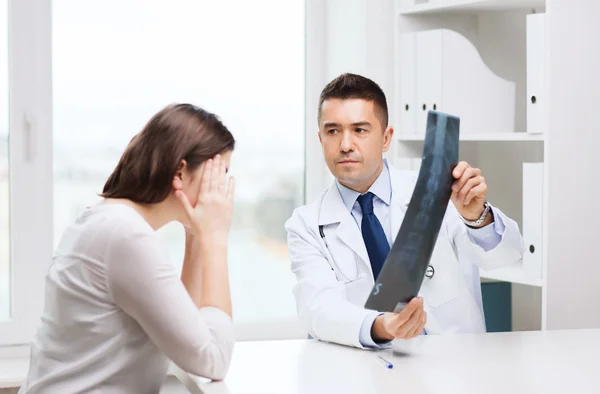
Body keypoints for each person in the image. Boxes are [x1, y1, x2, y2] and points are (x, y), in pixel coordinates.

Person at [285, 73, 525, 349]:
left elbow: (507, 256)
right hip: (366, 370)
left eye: (360, 130)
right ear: (320, 140)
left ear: (386, 139)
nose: (345, 144)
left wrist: (476, 216)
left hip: (452, 366)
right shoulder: (305, 225)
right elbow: (317, 308)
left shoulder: (440, 192)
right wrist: (382, 326)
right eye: (333, 131)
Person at [20, 103, 237, 393]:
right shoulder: (124, 235)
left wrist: (196, 235)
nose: (220, 189)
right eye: (218, 173)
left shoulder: (107, 221)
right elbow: (213, 358)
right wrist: (215, 237)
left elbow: (185, 332)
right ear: (181, 173)